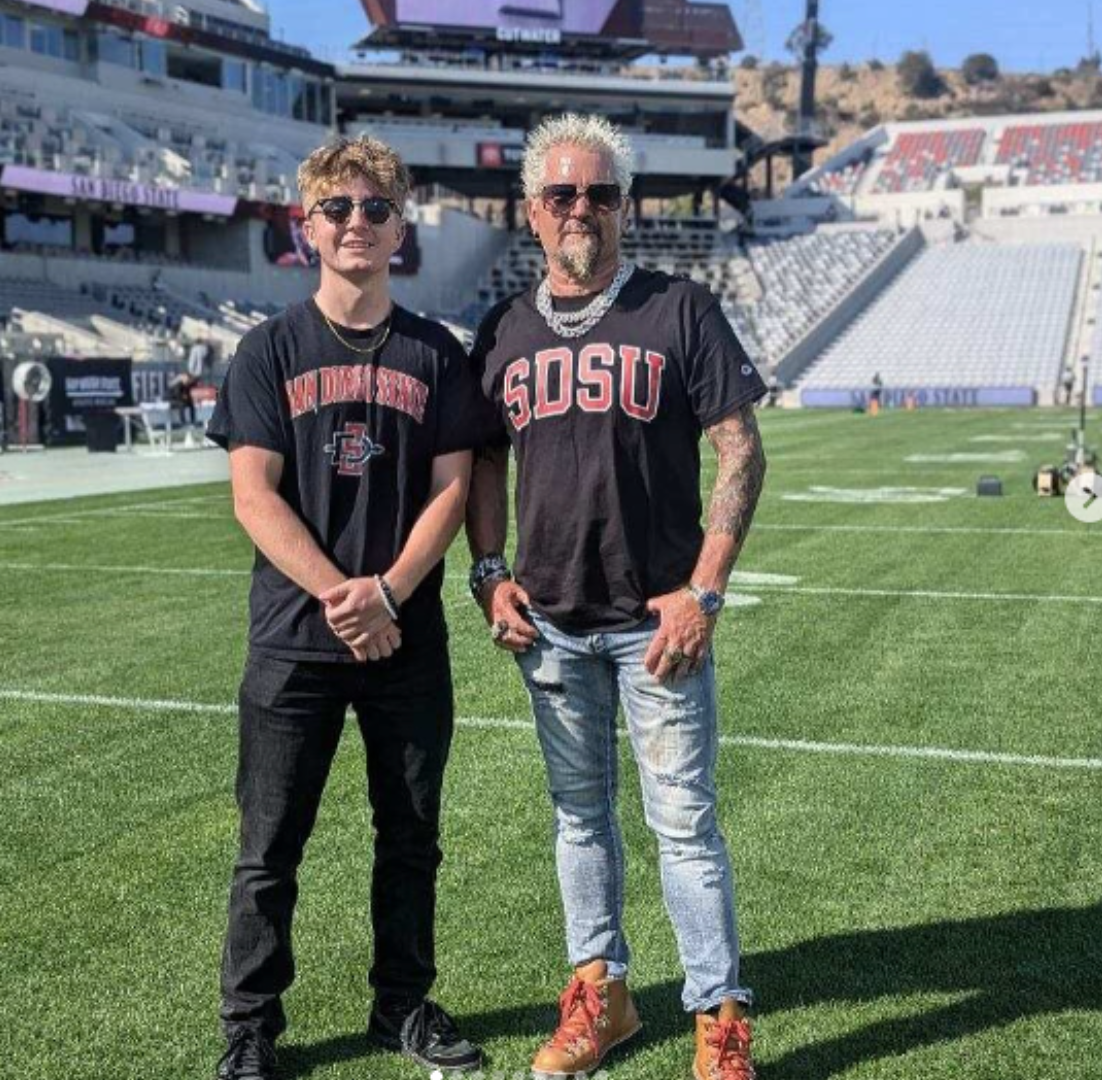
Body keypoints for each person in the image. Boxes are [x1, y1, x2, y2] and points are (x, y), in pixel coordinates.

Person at [464, 113, 768, 1080]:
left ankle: (719, 1018)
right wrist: (487, 573)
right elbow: (479, 462)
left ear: (625, 207)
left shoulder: (680, 307)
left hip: (657, 625)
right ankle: (604, 994)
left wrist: (705, 593)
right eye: (563, 194)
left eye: (599, 192)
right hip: (549, 624)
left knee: (684, 824)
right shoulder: (503, 329)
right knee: (579, 819)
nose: (580, 208)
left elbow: (740, 448)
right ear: (532, 212)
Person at [205, 134, 490, 1080]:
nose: (357, 224)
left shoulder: (437, 354)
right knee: (269, 846)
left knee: (410, 836)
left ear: (400, 228)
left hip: (406, 637)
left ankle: (401, 1005)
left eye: (375, 209)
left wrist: (390, 593)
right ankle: (250, 1027)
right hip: (296, 640)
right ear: (307, 228)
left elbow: (454, 490)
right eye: (338, 209)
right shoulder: (267, 349)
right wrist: (341, 594)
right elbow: (254, 495)